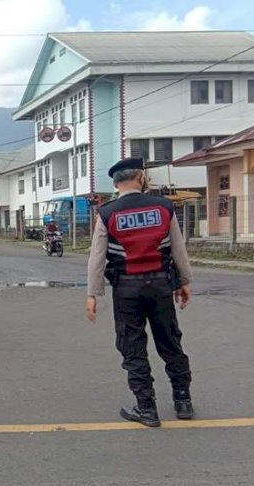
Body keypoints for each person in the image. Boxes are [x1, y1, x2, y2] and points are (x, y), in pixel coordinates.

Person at [86, 157, 195, 428]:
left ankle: (146, 408)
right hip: (160, 284)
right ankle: (183, 401)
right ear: (141, 178)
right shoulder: (164, 207)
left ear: (115, 183)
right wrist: (184, 281)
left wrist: (92, 293)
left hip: (126, 288)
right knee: (170, 341)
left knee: (132, 346)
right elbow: (178, 248)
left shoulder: (107, 213)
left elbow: (97, 257)